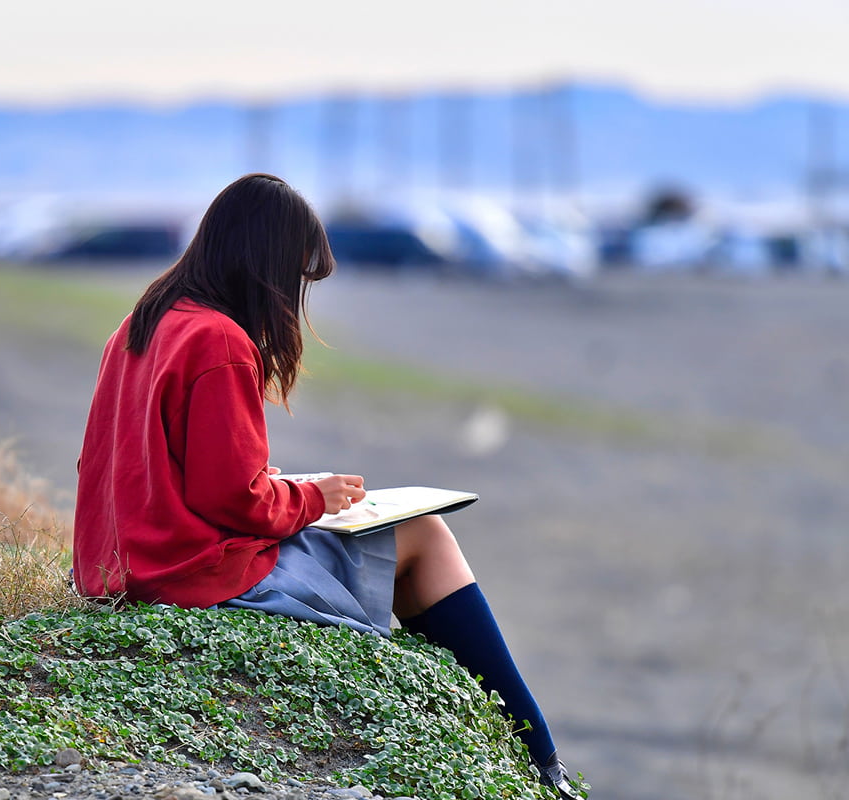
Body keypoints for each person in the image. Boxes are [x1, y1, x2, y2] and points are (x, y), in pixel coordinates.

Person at [73, 174, 583, 799]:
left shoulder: (138, 326)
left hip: (120, 566)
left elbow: (147, 471)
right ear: (267, 266)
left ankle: (519, 741)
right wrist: (317, 499)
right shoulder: (221, 341)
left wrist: (287, 488)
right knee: (424, 531)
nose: (294, 297)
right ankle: (538, 753)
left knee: (385, 530)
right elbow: (232, 501)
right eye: (296, 276)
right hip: (192, 576)